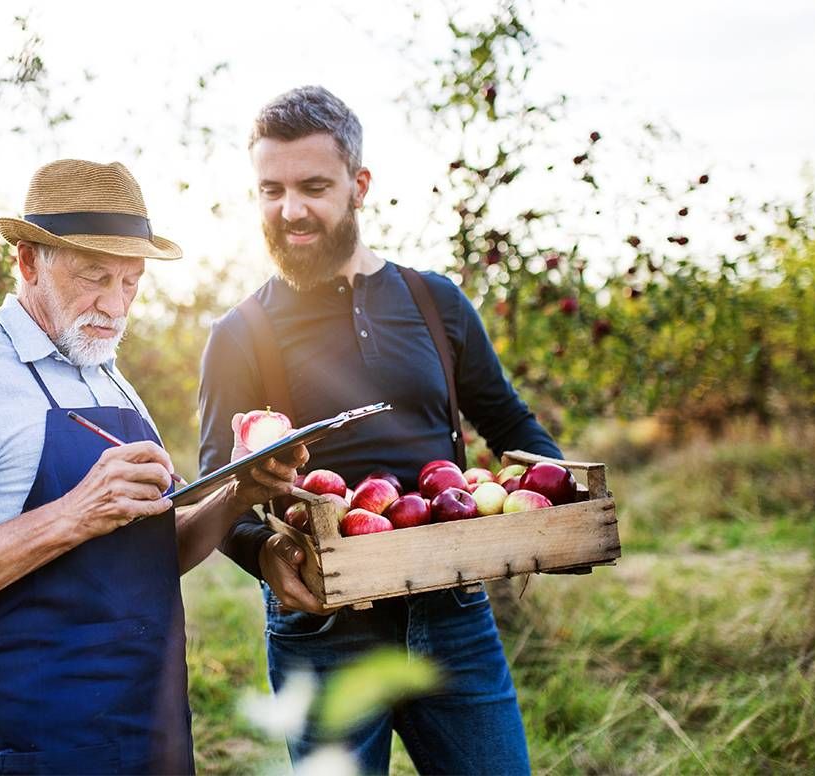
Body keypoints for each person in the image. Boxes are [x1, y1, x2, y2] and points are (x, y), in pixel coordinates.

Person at [0, 159, 306, 775]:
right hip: (36, 743)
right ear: (27, 261)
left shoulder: (111, 380)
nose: (114, 305)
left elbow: (151, 553)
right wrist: (73, 514)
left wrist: (234, 492)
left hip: (151, 734)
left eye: (130, 281)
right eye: (94, 276)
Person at [198, 86, 564, 774]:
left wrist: (554, 500)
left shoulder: (436, 302)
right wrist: (264, 555)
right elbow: (217, 481)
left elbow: (508, 421)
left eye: (312, 186)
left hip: (453, 612)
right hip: (324, 623)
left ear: (358, 185)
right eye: (269, 190)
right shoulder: (240, 335)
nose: (290, 210)